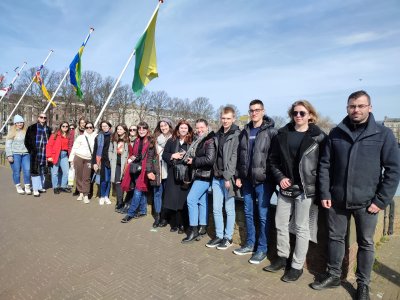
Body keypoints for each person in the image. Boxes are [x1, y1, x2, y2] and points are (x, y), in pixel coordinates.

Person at [311, 91, 400, 300]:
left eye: (360, 106)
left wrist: (381, 200)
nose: (356, 110)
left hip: (367, 202)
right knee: (335, 238)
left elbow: (393, 170)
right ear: (347, 108)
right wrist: (325, 192)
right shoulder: (336, 133)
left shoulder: (383, 134)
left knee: (366, 243)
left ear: (370, 107)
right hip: (337, 200)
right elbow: (325, 165)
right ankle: (333, 275)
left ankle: (363, 284)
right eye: (352, 106)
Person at [263, 100, 326, 282]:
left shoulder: (319, 137)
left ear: (310, 115)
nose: (298, 116)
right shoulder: (282, 134)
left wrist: (322, 191)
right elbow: (272, 160)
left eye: (302, 113)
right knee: (280, 223)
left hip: (306, 189)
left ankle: (297, 266)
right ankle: (282, 258)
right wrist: (280, 177)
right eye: (295, 113)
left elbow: (324, 165)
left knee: (301, 227)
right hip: (285, 188)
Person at [234, 99, 277, 265]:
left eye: (257, 110)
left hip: (263, 181)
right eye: (251, 110)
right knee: (248, 213)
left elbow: (274, 158)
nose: (254, 113)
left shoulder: (271, 132)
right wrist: (238, 175)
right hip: (246, 180)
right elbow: (240, 156)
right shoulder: (245, 131)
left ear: (263, 111)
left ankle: (262, 249)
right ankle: (250, 244)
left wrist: (271, 177)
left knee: (263, 216)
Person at [206, 106, 240, 250]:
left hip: (227, 178)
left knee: (229, 209)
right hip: (216, 176)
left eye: (228, 118)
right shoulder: (217, 134)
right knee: (216, 209)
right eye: (223, 118)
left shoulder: (237, 134)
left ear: (233, 119)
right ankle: (219, 236)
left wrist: (228, 177)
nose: (225, 121)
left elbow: (234, 158)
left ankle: (228, 238)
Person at [182, 119, 216, 243]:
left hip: (204, 175)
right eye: (197, 128)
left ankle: (193, 230)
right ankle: (202, 228)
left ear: (207, 127)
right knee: (201, 201)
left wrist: (194, 161)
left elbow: (210, 159)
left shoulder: (209, 140)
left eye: (202, 127)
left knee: (191, 200)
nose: (199, 130)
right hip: (199, 174)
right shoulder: (200, 140)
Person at [159, 120, 194, 233]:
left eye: (185, 128)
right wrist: (172, 155)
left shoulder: (191, 142)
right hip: (173, 174)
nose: (183, 130)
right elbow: (164, 155)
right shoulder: (172, 141)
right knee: (172, 200)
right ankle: (174, 224)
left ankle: (183, 225)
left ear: (188, 129)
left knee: (182, 201)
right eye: (181, 128)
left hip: (186, 175)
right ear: (178, 129)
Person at [121, 122, 152, 222]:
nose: (141, 131)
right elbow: (135, 154)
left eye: (144, 129)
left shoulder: (150, 141)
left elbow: (151, 157)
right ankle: (143, 211)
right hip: (135, 167)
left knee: (138, 190)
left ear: (147, 130)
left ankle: (130, 213)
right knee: (140, 190)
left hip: (144, 169)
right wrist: (130, 159)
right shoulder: (138, 140)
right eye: (140, 129)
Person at [147, 119, 173, 227]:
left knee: (167, 195)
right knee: (157, 194)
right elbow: (149, 157)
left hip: (170, 171)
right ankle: (157, 217)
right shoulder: (155, 139)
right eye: (161, 126)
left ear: (170, 126)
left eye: (165, 125)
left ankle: (165, 217)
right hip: (157, 171)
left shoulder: (174, 139)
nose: (163, 127)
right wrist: (149, 171)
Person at [24, 113, 51, 197]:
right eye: (41, 117)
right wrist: (31, 150)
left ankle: (40, 186)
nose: (43, 119)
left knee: (43, 170)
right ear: (38, 118)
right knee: (35, 170)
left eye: (44, 117)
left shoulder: (48, 129)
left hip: (45, 153)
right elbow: (26, 141)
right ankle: (35, 189)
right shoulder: (31, 128)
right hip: (35, 153)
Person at [69, 121, 96, 203]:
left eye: (90, 127)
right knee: (79, 176)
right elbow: (74, 148)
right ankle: (80, 192)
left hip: (89, 159)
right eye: (87, 127)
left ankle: (86, 195)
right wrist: (71, 160)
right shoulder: (81, 137)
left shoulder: (96, 137)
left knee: (87, 177)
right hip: (79, 157)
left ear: (93, 128)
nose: (89, 129)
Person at [109, 124, 133, 211]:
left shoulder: (128, 139)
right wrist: (111, 159)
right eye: (117, 129)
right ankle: (119, 202)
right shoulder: (114, 139)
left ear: (125, 130)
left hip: (125, 164)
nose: (119, 131)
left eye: (120, 129)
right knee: (118, 182)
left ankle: (127, 202)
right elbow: (110, 150)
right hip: (116, 163)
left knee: (124, 182)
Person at [6, 114, 31, 195]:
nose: (20, 124)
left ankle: (27, 186)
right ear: (15, 123)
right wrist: (9, 155)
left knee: (27, 170)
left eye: (21, 122)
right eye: (18, 122)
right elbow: (8, 145)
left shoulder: (26, 131)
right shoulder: (12, 132)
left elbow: (29, 142)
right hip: (15, 154)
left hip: (26, 154)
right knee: (16, 171)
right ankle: (18, 186)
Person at [46, 122, 72, 194]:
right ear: (60, 127)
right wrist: (49, 156)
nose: (65, 127)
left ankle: (63, 186)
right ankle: (55, 187)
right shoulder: (55, 135)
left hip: (64, 155)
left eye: (67, 126)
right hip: (56, 155)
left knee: (66, 172)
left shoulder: (68, 135)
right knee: (55, 172)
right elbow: (49, 145)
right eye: (63, 126)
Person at [92, 121, 113, 205]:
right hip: (102, 160)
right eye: (103, 126)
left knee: (109, 180)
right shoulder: (98, 137)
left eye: (106, 126)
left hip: (111, 161)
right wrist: (94, 162)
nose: (104, 127)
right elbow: (95, 151)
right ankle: (102, 196)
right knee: (103, 180)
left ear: (109, 127)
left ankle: (106, 196)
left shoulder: (113, 136)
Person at [69, 117, 86, 196]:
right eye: (81, 122)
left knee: (84, 173)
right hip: (77, 154)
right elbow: (71, 144)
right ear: (79, 123)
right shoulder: (75, 132)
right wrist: (71, 155)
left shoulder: (88, 131)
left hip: (86, 154)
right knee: (77, 173)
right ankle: (77, 189)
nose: (83, 124)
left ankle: (84, 190)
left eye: (84, 122)